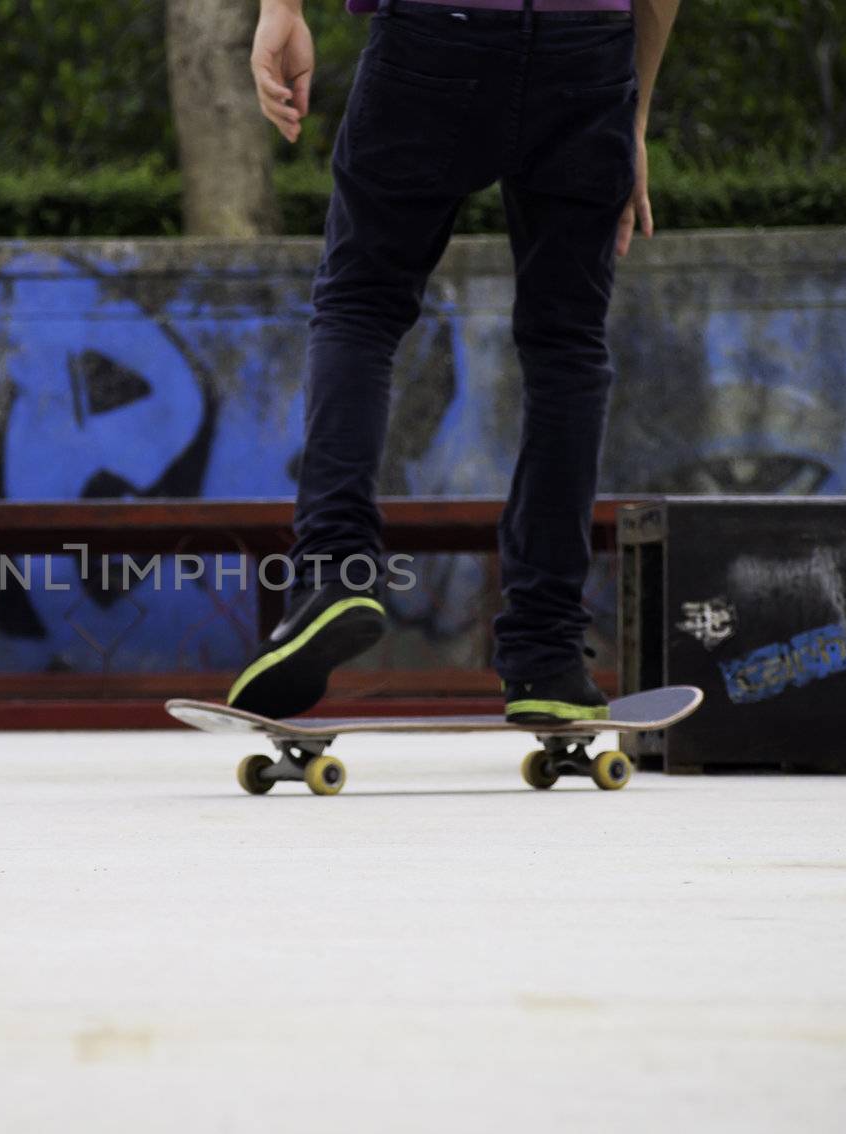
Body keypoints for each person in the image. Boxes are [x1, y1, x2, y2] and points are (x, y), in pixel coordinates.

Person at [231, 0, 679, 722]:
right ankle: (547, 654)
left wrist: (282, 9)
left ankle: (335, 572)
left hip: (437, 36)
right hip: (589, 50)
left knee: (362, 306)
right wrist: (633, 112)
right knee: (567, 344)